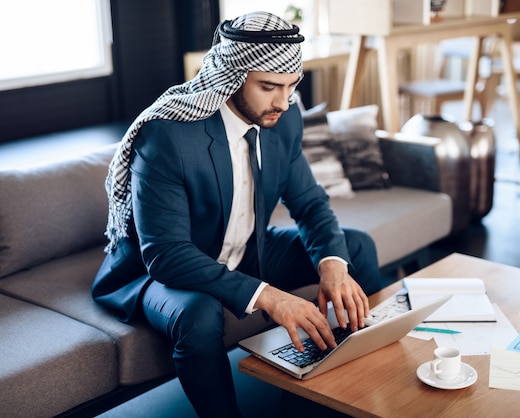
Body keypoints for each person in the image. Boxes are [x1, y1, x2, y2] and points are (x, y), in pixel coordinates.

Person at [91, 11, 381, 417]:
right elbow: (167, 255)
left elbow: (310, 203)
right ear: (232, 74)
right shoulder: (168, 135)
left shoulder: (284, 117)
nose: (283, 101)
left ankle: (343, 390)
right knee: (199, 314)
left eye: (291, 86)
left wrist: (332, 265)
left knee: (353, 249)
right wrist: (269, 297)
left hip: (246, 250)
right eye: (268, 86)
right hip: (155, 272)